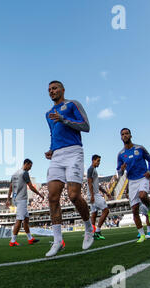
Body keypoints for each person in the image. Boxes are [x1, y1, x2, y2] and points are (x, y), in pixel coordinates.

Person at [44, 80, 93, 257]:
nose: (52, 91)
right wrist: (51, 149)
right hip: (57, 155)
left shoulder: (72, 104)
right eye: (49, 90)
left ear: (63, 90)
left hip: (74, 151)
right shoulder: (48, 113)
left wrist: (64, 119)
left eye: (55, 88)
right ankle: (58, 241)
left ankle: (89, 228)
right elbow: (53, 133)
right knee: (52, 197)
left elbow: (86, 127)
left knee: (73, 195)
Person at [116, 128, 150, 243]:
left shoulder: (140, 148)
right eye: (122, 134)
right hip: (132, 181)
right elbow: (119, 172)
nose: (125, 136)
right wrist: (121, 170)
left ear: (131, 135)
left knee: (143, 196)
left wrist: (149, 170)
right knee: (134, 210)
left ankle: (149, 210)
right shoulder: (120, 154)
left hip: (143, 177)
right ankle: (142, 234)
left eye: (127, 133)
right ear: (121, 137)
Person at [6, 159, 44, 246]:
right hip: (21, 199)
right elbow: (30, 186)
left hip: (16, 199)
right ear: (26, 164)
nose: (30, 168)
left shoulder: (14, 174)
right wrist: (39, 194)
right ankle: (12, 241)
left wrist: (8, 199)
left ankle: (30, 239)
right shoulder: (24, 173)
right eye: (30, 166)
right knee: (19, 220)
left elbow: (11, 187)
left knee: (26, 219)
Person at [87, 154, 112, 240]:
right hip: (94, 194)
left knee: (94, 214)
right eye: (98, 161)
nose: (99, 163)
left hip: (93, 194)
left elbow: (97, 185)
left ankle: (92, 233)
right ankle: (97, 231)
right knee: (106, 210)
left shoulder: (94, 170)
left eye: (99, 161)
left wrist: (106, 193)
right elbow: (89, 183)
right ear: (93, 160)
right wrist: (92, 196)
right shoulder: (90, 170)